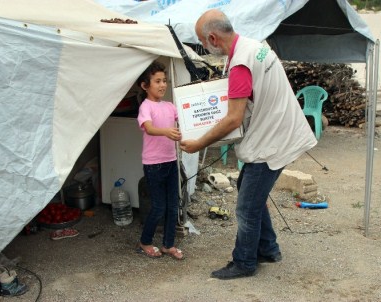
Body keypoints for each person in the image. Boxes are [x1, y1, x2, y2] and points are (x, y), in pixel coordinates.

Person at [180, 10, 317, 279]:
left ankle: (244, 262)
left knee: (246, 207)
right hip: (280, 131)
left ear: (212, 38)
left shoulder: (240, 64)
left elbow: (232, 119)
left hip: (273, 141)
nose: (203, 47)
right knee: (248, 189)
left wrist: (198, 143)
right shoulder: (255, 46)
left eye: (202, 42)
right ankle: (268, 248)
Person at [135, 60, 184, 260]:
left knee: (173, 205)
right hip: (153, 164)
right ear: (145, 85)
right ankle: (145, 241)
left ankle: (168, 244)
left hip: (171, 161)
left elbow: (184, 121)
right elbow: (149, 128)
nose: (163, 85)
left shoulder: (170, 106)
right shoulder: (145, 107)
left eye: (164, 81)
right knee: (158, 206)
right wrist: (167, 131)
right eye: (157, 81)